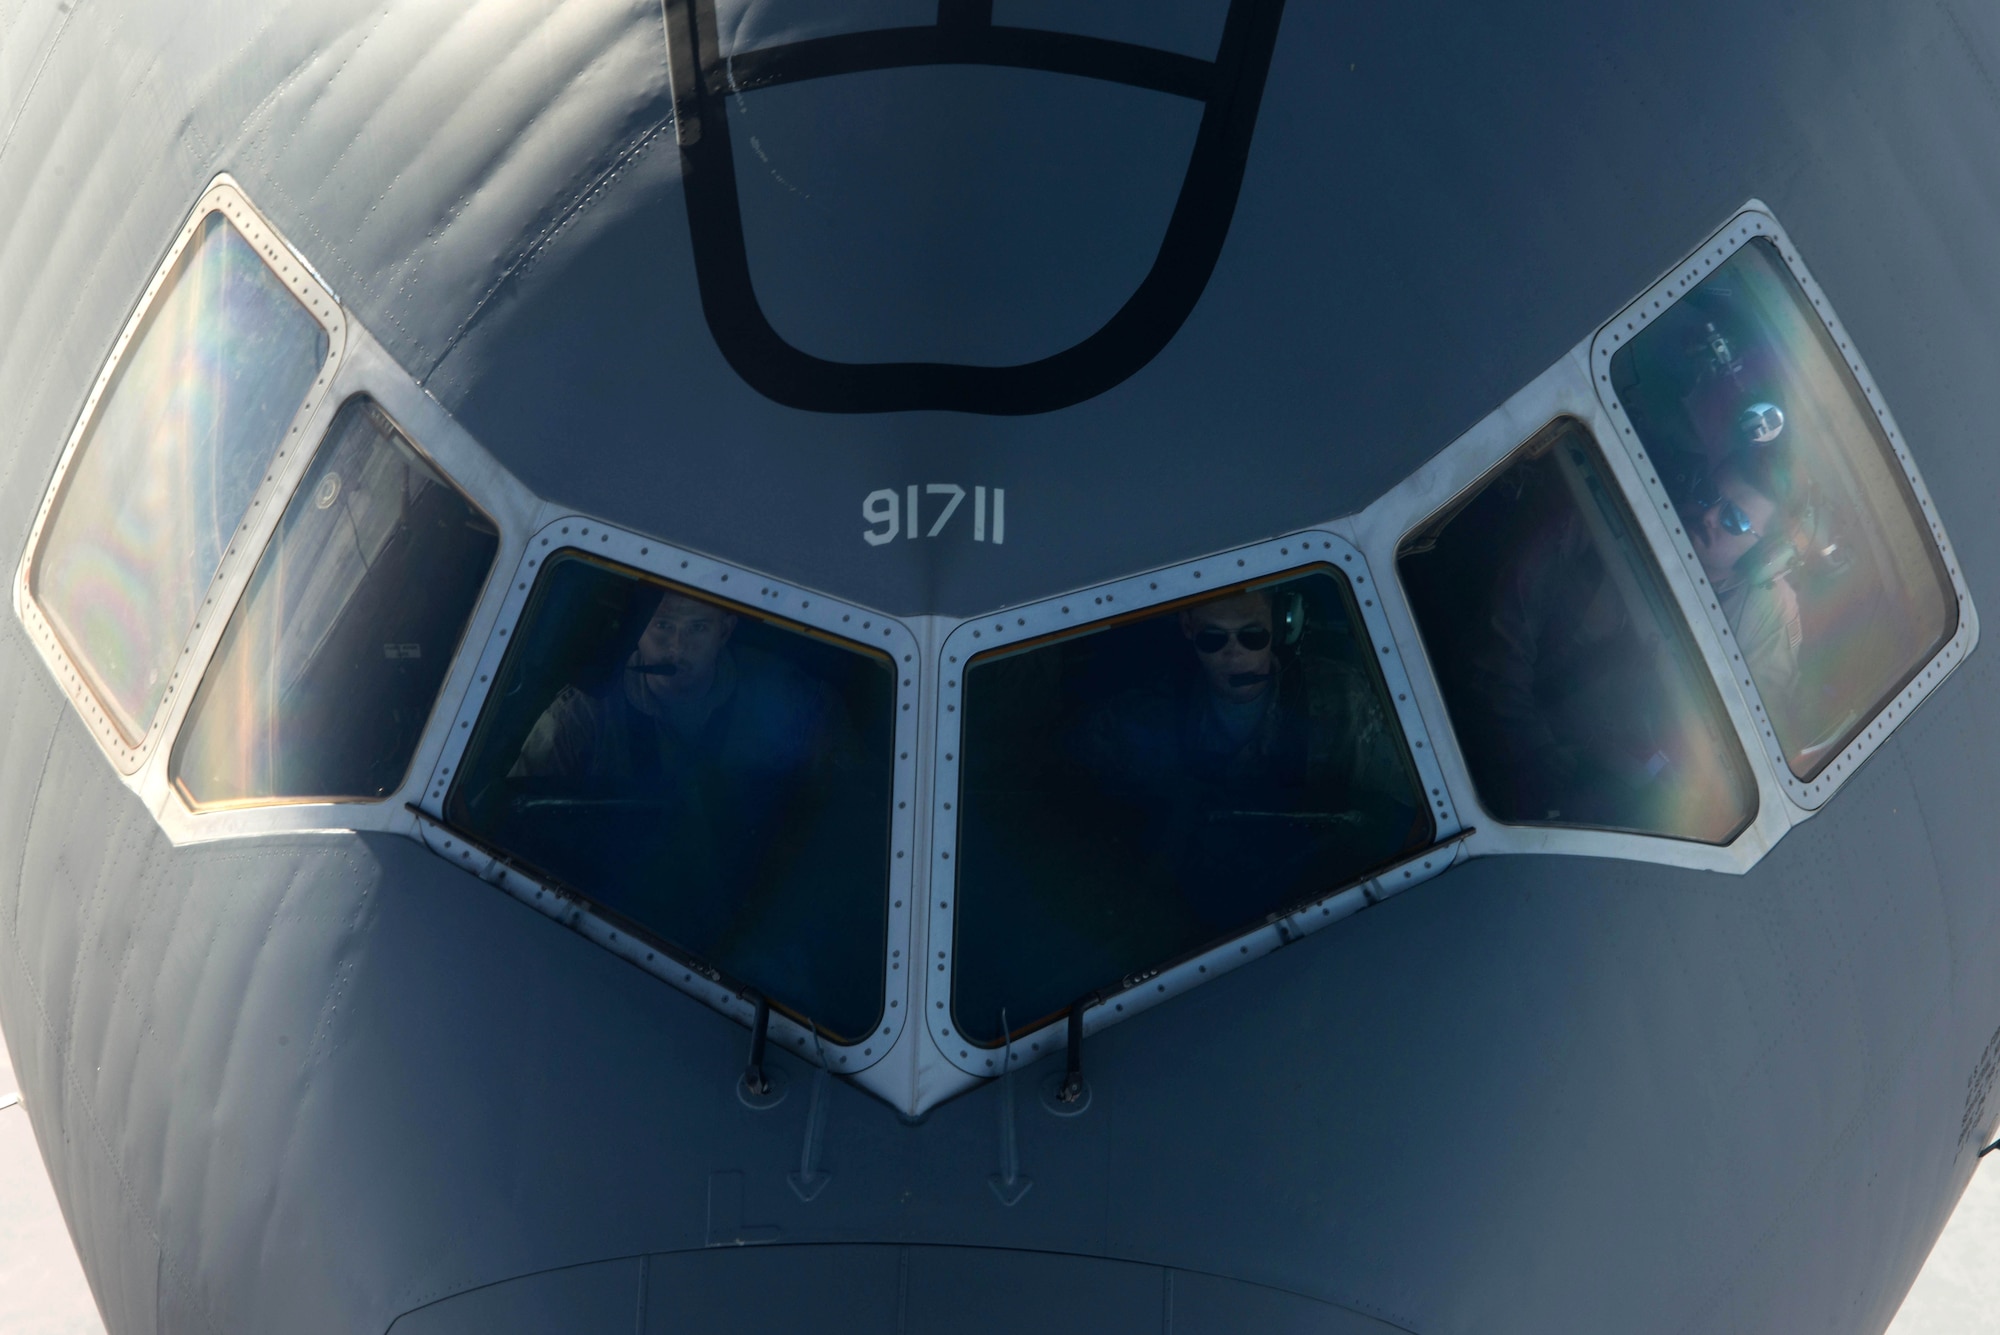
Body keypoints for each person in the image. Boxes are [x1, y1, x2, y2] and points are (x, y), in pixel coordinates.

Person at [508, 585, 843, 951]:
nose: (677, 648)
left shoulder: (785, 694)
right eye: (663, 626)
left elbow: (836, 798)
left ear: (725, 632)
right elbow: (515, 821)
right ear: (638, 627)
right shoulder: (584, 713)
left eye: (697, 628)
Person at [1075, 587, 1421, 931]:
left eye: (1252, 636)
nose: (1233, 655)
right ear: (1188, 629)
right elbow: (1084, 814)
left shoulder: (1346, 700)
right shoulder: (1141, 716)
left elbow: (1405, 815)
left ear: (1284, 626)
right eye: (1213, 639)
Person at [1687, 446, 1804, 697]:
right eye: (1710, 494)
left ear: (1761, 554)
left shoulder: (1771, 613)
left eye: (1735, 519)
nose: (1708, 515)